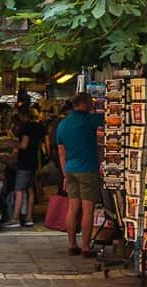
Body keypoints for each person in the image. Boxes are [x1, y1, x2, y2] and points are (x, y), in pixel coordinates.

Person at [56, 93, 103, 258]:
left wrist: (64, 175)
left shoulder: (62, 125)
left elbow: (61, 152)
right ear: (83, 104)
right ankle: (85, 247)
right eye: (91, 102)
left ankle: (71, 244)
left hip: (70, 170)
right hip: (88, 169)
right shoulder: (89, 120)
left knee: (73, 208)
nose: (93, 104)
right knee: (87, 210)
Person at [6, 107, 45, 228]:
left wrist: (11, 143)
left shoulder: (26, 127)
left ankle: (15, 219)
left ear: (22, 115)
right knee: (30, 190)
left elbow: (23, 145)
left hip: (24, 163)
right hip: (33, 161)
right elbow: (38, 145)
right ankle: (29, 218)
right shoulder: (38, 127)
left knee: (19, 190)